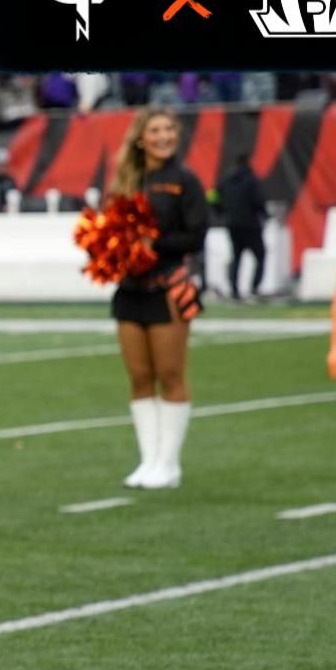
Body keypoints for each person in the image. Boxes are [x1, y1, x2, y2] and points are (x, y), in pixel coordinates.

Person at [109, 107, 208, 490]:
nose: (164, 136)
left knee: (170, 374)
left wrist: (155, 244)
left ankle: (169, 464)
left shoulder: (185, 181)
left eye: (169, 129)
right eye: (156, 130)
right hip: (129, 291)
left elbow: (196, 236)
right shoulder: (126, 182)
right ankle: (148, 460)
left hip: (168, 286)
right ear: (140, 138)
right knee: (139, 377)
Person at [219, 153, 268, 301]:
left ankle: (234, 290)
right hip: (251, 225)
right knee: (260, 255)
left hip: (232, 224)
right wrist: (265, 215)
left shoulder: (225, 179)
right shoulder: (251, 180)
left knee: (236, 257)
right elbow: (258, 200)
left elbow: (212, 195)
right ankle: (254, 288)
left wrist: (220, 210)